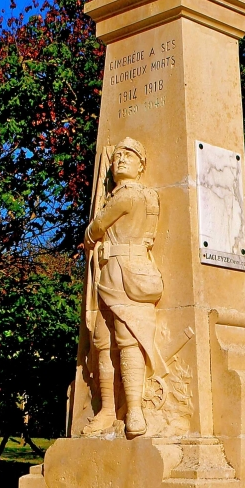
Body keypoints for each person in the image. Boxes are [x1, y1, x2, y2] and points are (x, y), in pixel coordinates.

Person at [82, 138, 163, 438]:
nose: (120, 160)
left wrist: (90, 232)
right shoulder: (139, 195)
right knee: (103, 342)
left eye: (129, 155)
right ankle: (106, 410)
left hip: (124, 273)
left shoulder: (127, 196)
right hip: (111, 273)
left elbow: (98, 225)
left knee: (127, 338)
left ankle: (134, 410)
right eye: (116, 156)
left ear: (142, 165)